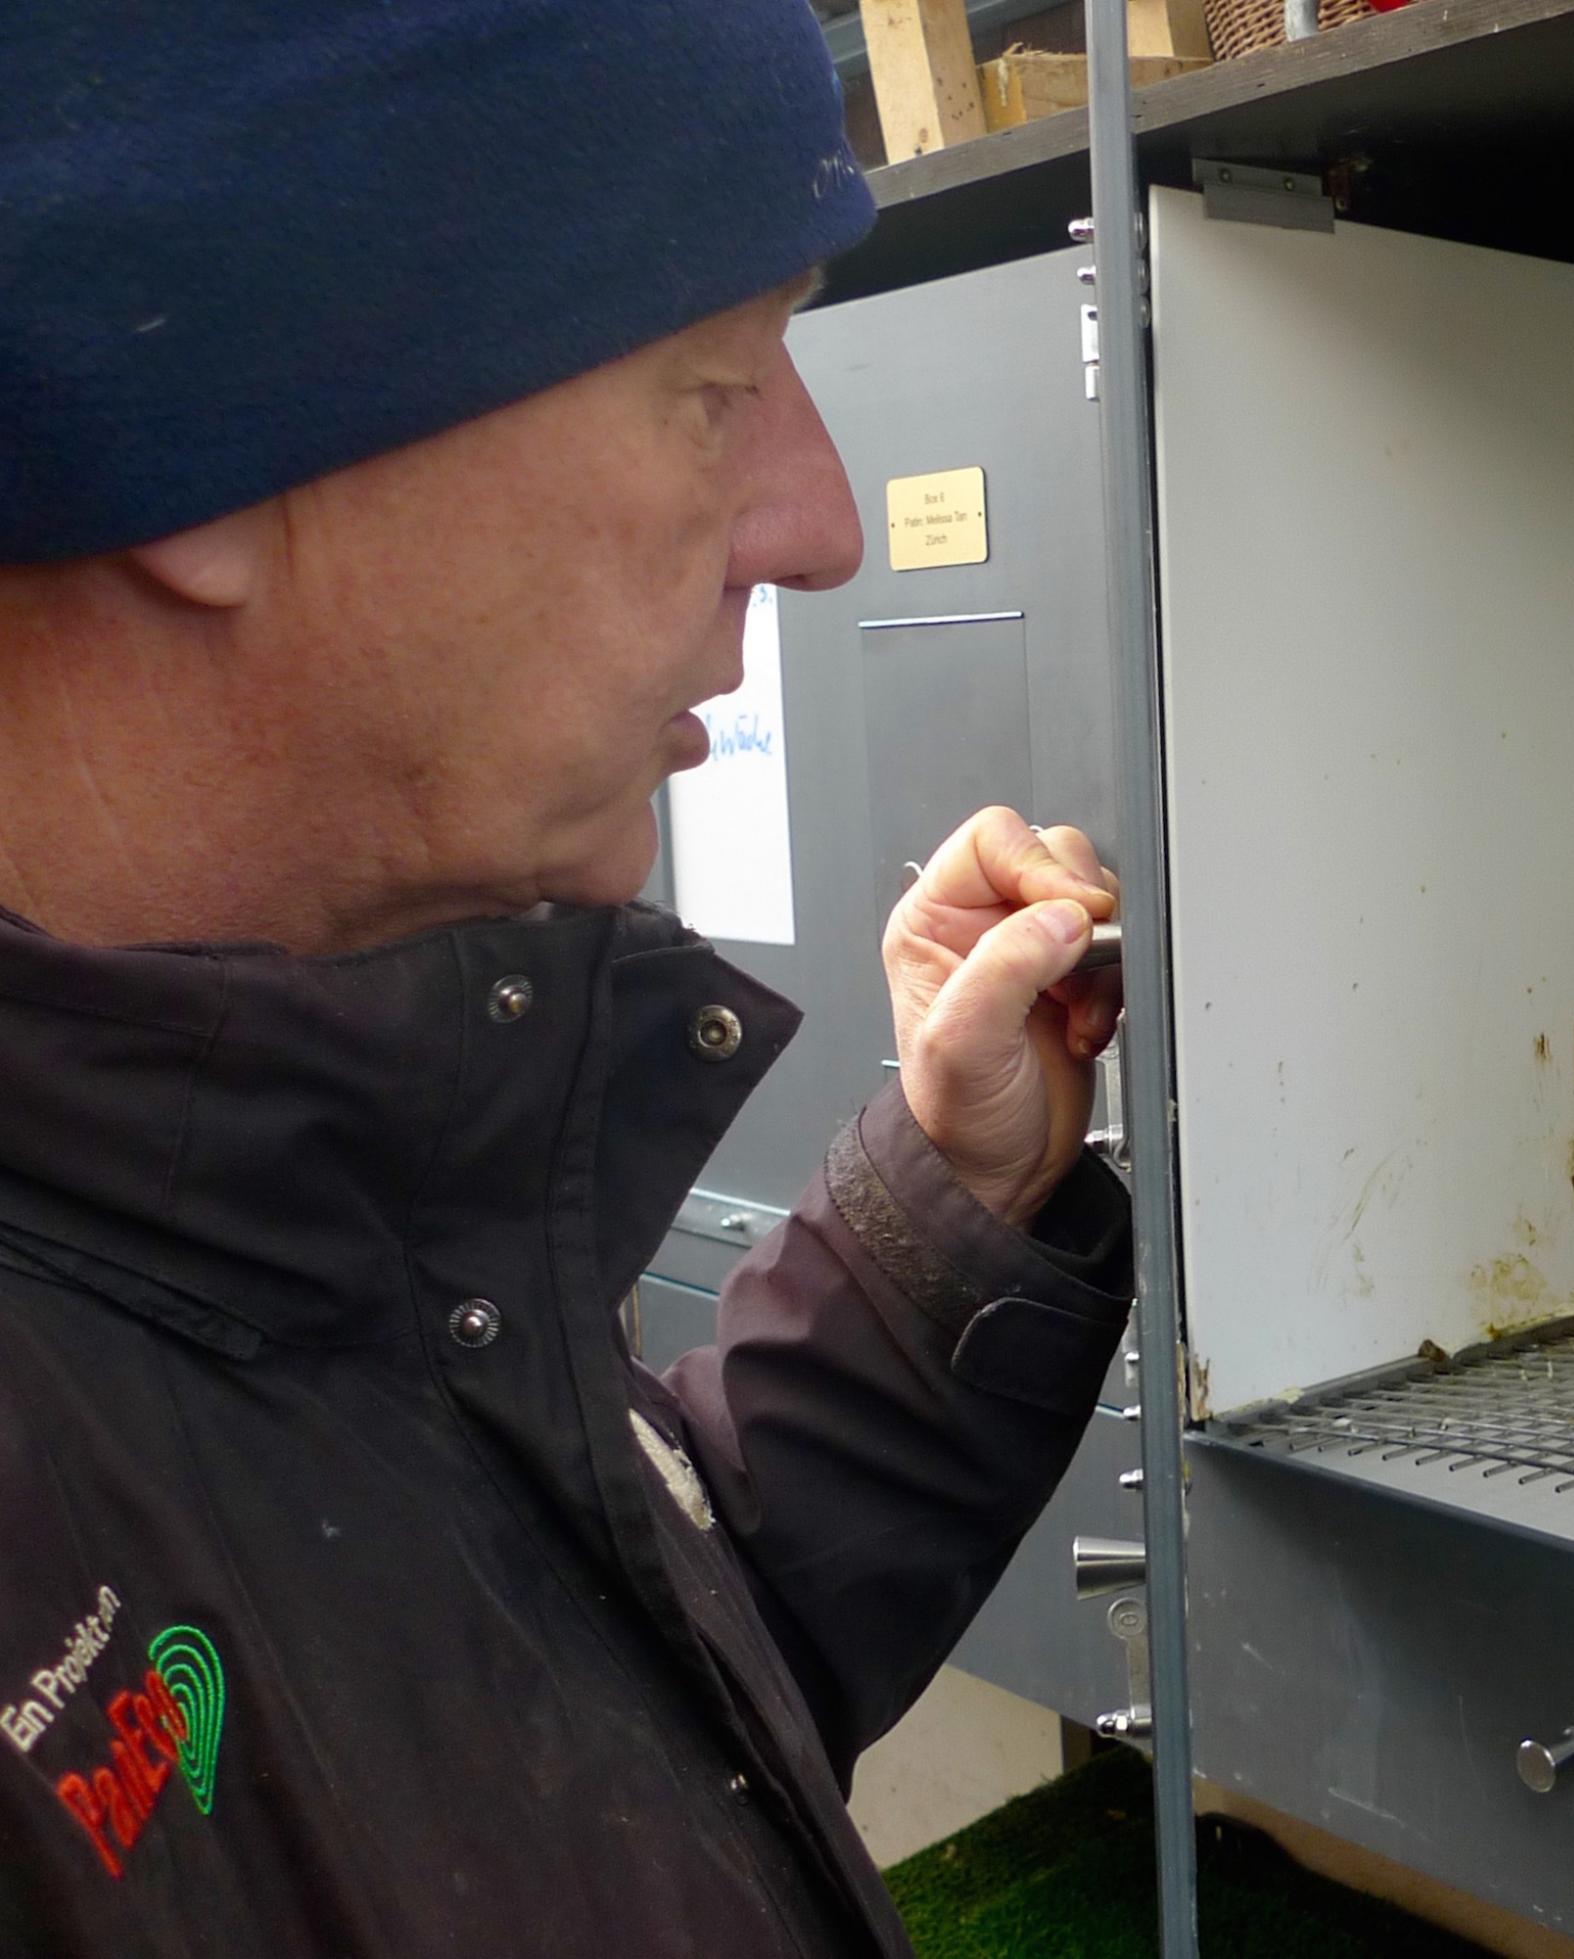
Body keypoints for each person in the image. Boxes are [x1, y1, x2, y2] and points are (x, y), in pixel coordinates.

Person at [0, 2, 1133, 1951]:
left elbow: (548, 1707)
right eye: (708, 387)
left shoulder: (273, 1147)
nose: (822, 524)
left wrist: (944, 1205)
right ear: (193, 429)